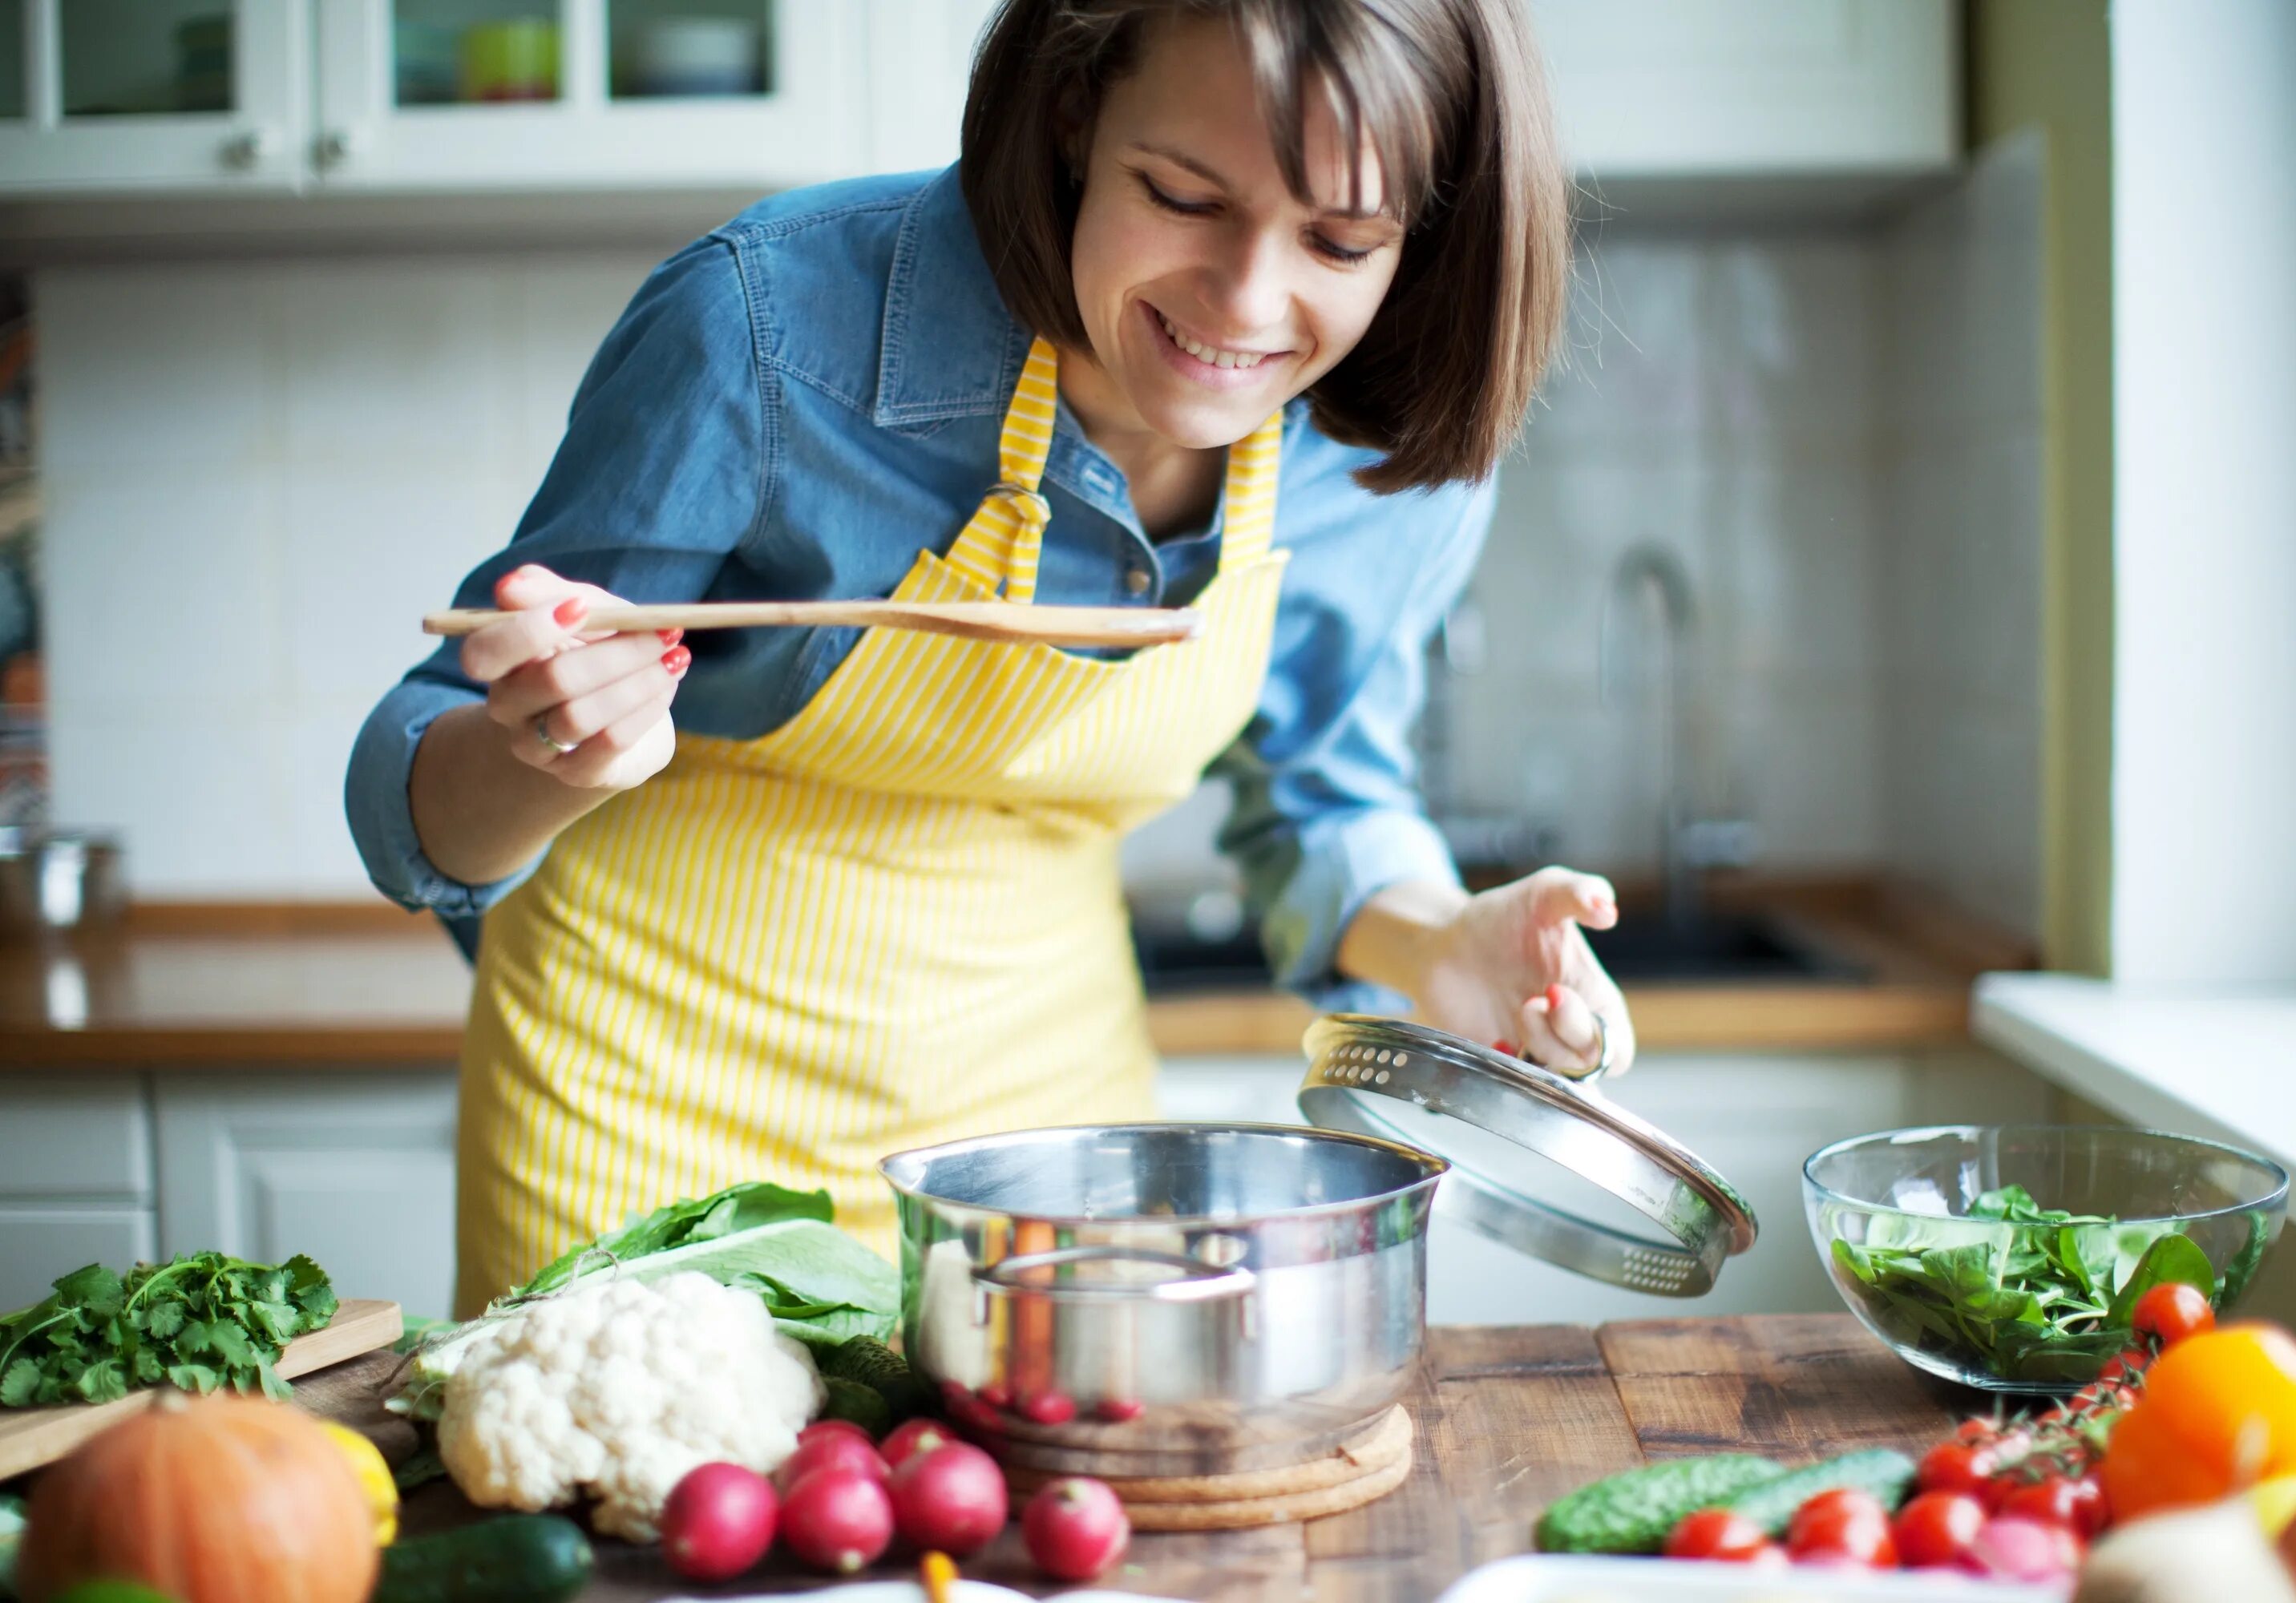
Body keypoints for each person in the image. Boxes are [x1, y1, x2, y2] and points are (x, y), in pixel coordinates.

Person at [349, 0, 1637, 1316]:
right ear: (1076, 113)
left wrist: (1445, 947)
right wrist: (553, 749)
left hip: (1040, 1163)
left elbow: (1324, 799)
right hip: (632, 1126)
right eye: (1183, 197)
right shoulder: (770, 324)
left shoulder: (1383, 469)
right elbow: (413, 803)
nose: (1247, 301)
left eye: (1339, 241)